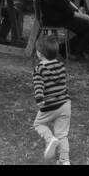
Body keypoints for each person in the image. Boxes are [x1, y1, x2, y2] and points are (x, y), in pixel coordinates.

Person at [32, 34, 72, 164]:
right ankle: (64, 160)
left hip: (50, 104)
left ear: (39, 53)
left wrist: (39, 99)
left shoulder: (39, 69)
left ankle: (50, 139)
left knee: (38, 124)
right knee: (62, 134)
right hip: (65, 104)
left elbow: (39, 85)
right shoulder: (61, 65)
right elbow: (64, 82)